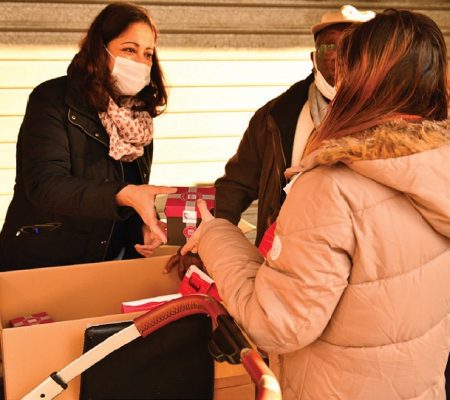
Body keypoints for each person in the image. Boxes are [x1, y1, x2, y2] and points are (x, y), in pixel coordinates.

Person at [181, 8, 450, 399]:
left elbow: (277, 325)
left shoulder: (332, 184)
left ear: (361, 80)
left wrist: (214, 235)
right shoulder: (437, 165)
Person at [0, 2, 177, 271]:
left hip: (108, 264)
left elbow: (126, 198)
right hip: (43, 263)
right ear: (100, 50)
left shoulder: (138, 117)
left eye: (148, 53)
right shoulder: (53, 99)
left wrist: (142, 232)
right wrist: (125, 194)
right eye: (129, 49)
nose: (141, 62)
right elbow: (45, 185)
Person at [214, 5, 375, 246]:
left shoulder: (395, 117)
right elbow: (235, 186)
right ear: (314, 58)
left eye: (354, 45)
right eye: (330, 46)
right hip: (284, 253)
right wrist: (210, 237)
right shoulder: (274, 117)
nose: (340, 54)